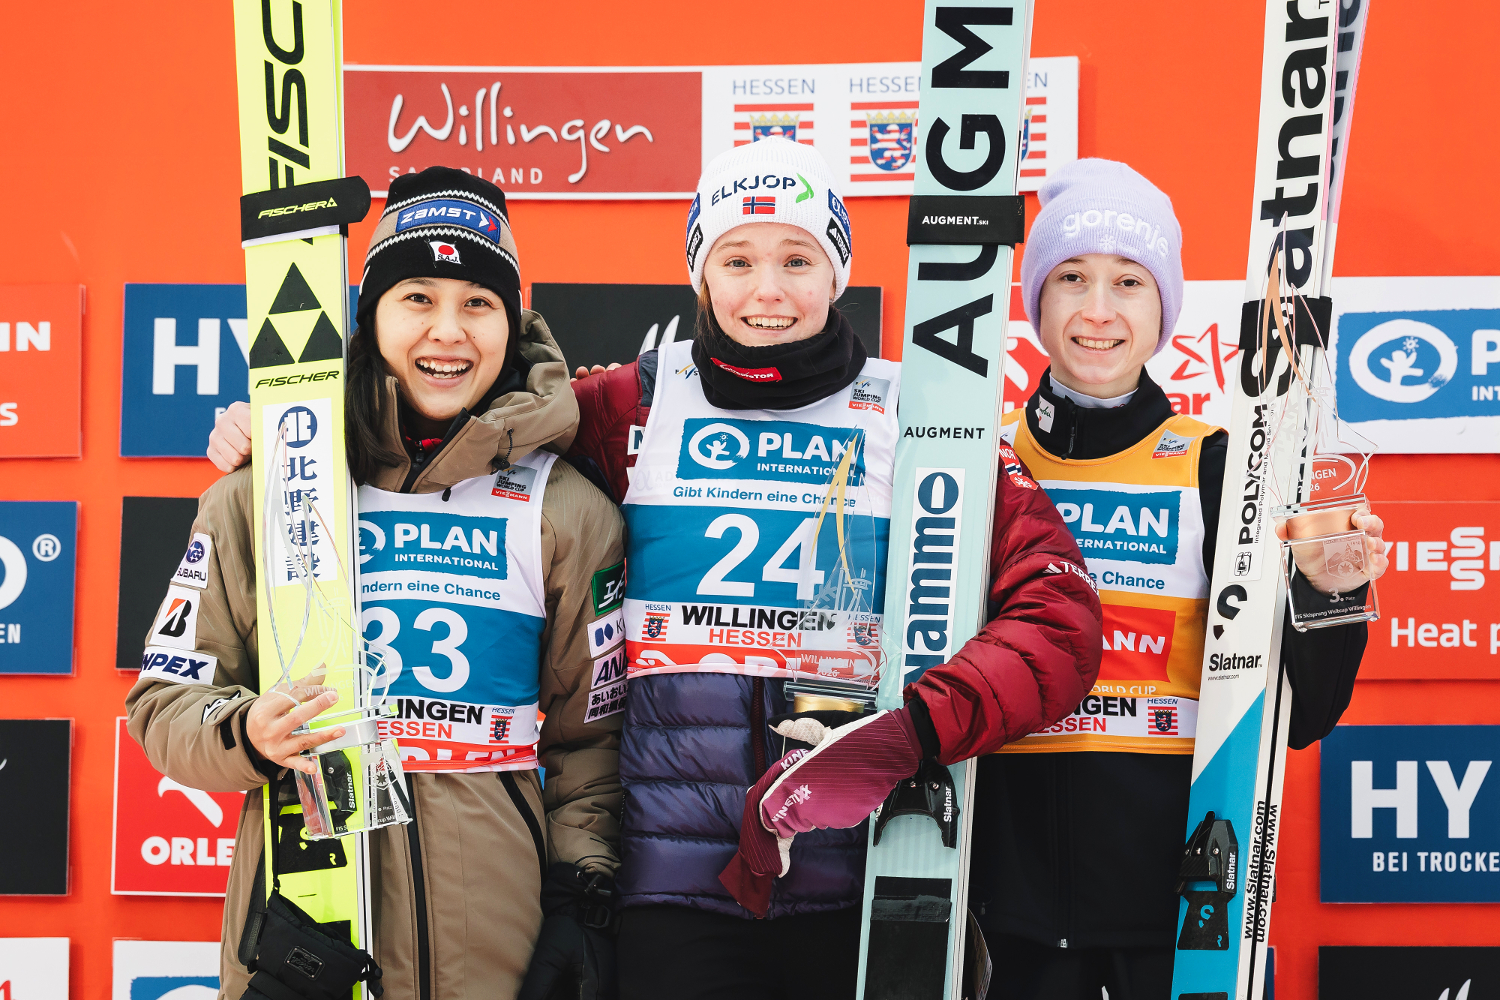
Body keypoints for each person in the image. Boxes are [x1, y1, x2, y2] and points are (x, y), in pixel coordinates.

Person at [207, 139, 1104, 998]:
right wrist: (291, 429)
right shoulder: (629, 406)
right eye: (737, 259)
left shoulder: (916, 417)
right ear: (698, 272)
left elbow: (1061, 616)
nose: (768, 291)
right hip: (672, 896)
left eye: (798, 259)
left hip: (862, 877)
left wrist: (915, 728)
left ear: (839, 271)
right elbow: (460, 426)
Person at [130, 167, 627, 1000]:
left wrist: (580, 895)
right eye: (417, 299)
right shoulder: (266, 491)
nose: (449, 332)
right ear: (370, 315)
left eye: (478, 303)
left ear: (512, 322)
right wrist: (247, 732)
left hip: (496, 937)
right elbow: (162, 705)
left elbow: (591, 743)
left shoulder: (565, 510)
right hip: (304, 933)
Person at [968, 158, 1388, 1000]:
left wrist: (1331, 594)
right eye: (1071, 279)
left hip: (1184, 906)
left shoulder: (1221, 466)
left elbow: (1304, 717)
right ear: (1035, 301)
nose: (1097, 310)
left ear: (1163, 307)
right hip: (1002, 911)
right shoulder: (979, 463)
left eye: (1129, 281)